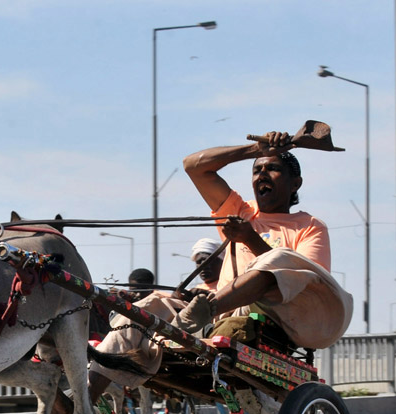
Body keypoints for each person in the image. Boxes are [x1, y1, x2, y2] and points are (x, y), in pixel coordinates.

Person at [88, 131, 352, 399]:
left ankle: (205, 310)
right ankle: (85, 402)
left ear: (295, 183)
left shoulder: (309, 226)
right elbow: (194, 166)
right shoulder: (242, 212)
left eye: (272, 168)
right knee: (145, 309)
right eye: (257, 170)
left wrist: (250, 239)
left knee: (280, 259)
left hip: (274, 318)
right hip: (216, 317)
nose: (262, 174)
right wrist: (255, 150)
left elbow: (306, 282)